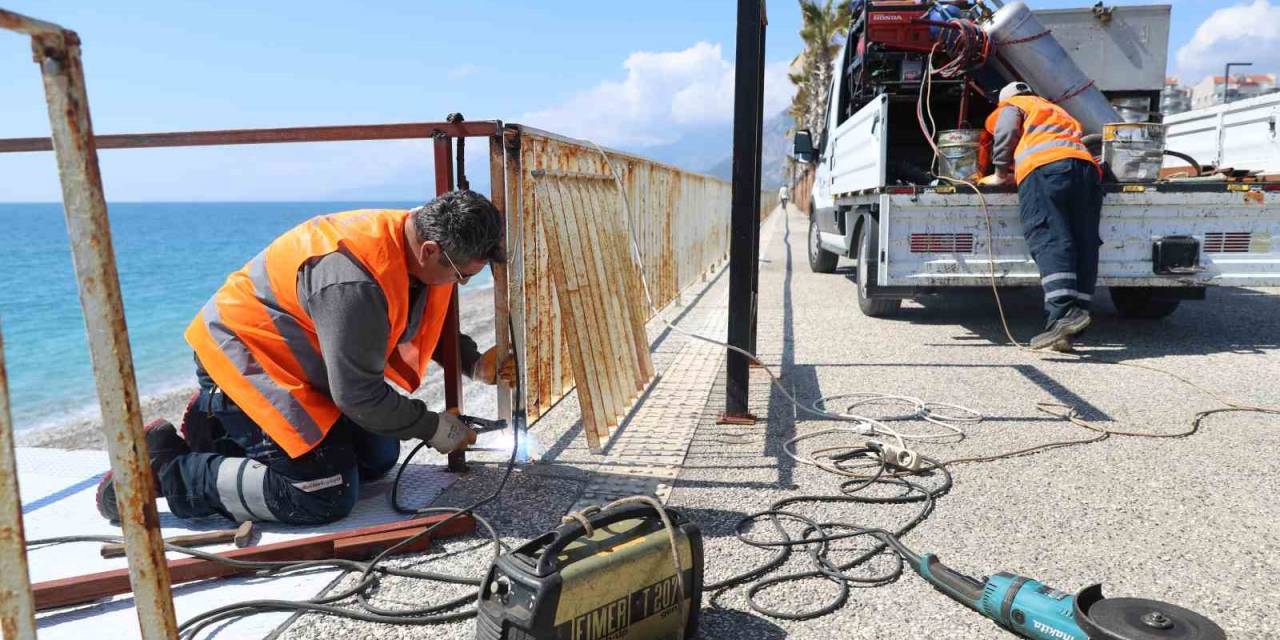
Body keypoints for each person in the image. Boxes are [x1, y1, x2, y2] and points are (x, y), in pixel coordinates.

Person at [96, 190, 515, 525]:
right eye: (463, 276)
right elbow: (359, 396)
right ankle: (165, 468)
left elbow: (422, 313)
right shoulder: (355, 280)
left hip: (302, 363)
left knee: (378, 457)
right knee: (324, 492)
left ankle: (219, 427)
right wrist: (433, 427)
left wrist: (473, 363)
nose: (460, 284)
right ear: (429, 251)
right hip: (247, 358)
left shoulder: (413, 239)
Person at [980, 81, 1104, 352]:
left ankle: (1063, 314)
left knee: (1049, 237)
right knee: (1083, 241)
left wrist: (1000, 172)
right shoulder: (1054, 109)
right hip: (1086, 170)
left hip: (1045, 170)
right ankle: (1076, 319)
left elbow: (1006, 130)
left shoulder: (1013, 105)